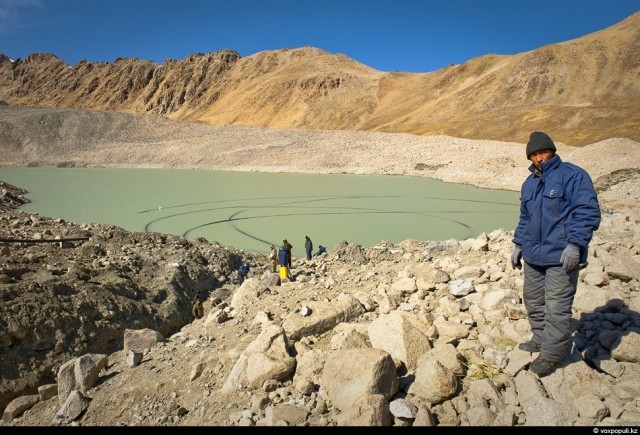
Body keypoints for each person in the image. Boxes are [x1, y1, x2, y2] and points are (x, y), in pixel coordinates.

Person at [511, 131, 601, 377]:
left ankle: (551, 355)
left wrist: (576, 245)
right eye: (534, 155)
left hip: (561, 256)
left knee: (557, 307)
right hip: (533, 255)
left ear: (552, 151)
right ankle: (540, 338)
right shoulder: (529, 183)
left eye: (543, 152)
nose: (539, 158)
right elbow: (525, 217)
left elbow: (586, 211)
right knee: (533, 300)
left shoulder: (573, 176)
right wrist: (518, 244)